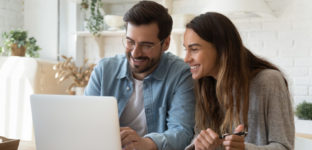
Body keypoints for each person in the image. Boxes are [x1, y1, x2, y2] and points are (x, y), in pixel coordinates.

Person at [84, 1, 195, 150]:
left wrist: (147, 143)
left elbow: (182, 132)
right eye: (130, 42)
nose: (135, 53)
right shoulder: (104, 70)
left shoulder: (180, 74)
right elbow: (84, 122)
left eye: (146, 45)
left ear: (166, 43)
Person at [183, 12, 294, 150]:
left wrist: (245, 149)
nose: (186, 58)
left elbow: (284, 146)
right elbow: (201, 136)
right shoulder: (205, 85)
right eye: (185, 49)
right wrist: (199, 146)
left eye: (194, 49)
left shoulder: (269, 81)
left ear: (221, 48)